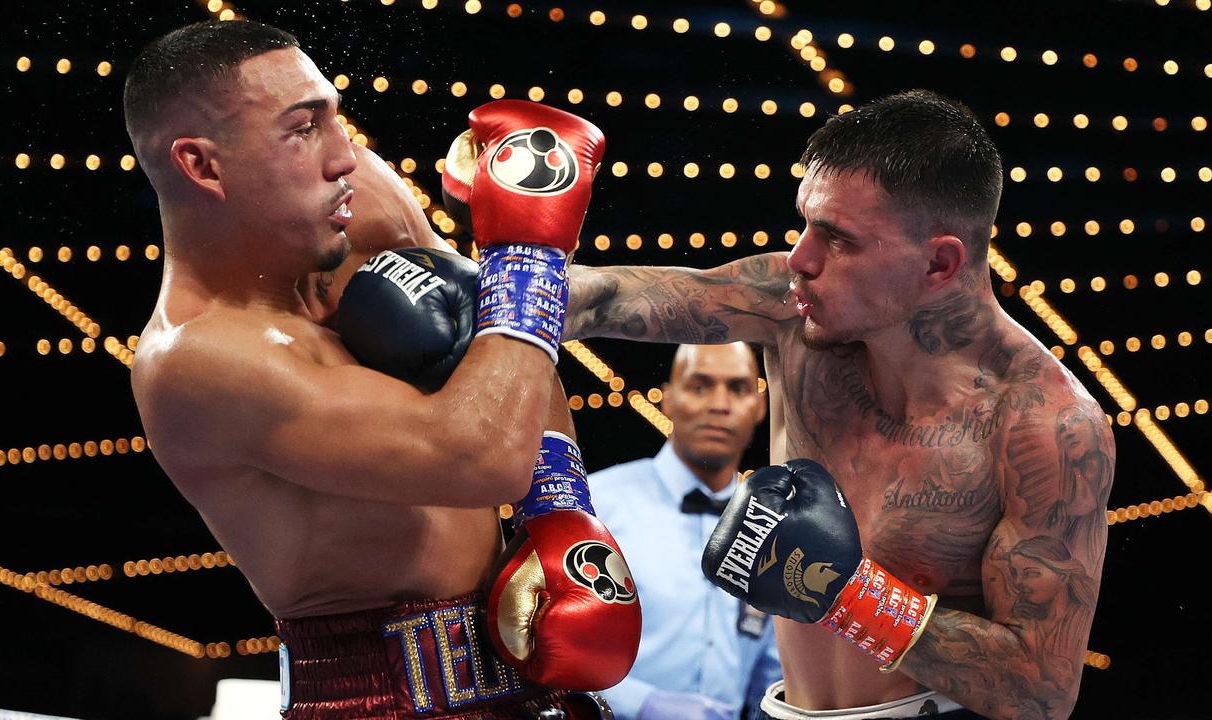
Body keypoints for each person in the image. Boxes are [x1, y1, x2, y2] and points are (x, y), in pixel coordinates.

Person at [124, 19, 637, 719]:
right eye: (303, 128)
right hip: (376, 700)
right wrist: (530, 255)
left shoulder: (353, 198)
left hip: (537, 679)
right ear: (202, 165)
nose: (344, 154)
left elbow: (493, 345)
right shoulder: (197, 360)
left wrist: (557, 506)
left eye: (334, 116)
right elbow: (477, 454)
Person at [564, 90, 1115, 720]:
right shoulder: (793, 309)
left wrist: (842, 592)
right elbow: (607, 299)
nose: (801, 259)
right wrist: (506, 282)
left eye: (839, 240)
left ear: (939, 263)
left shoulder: (1044, 426)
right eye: (805, 223)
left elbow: (1042, 689)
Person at [589, 344, 781, 719]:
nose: (719, 405)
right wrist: (639, 704)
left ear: (759, 406)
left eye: (739, 388)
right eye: (700, 386)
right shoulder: (598, 505)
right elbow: (545, 647)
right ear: (669, 399)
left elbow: (773, 675)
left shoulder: (771, 527)